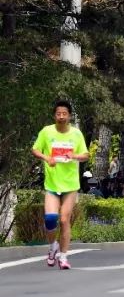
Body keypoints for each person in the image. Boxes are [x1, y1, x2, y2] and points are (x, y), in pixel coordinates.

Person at [33, 100, 90, 269]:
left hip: (70, 185)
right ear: (54, 115)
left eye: (64, 114)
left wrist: (74, 156)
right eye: (58, 114)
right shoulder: (46, 131)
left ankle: (63, 257)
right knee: (51, 219)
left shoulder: (76, 134)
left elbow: (86, 154)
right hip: (52, 183)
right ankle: (53, 247)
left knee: (65, 220)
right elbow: (35, 149)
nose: (61, 116)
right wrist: (47, 158)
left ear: (69, 116)